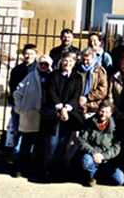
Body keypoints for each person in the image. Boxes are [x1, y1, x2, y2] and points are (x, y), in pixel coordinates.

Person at [44, 51, 85, 180]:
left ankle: (58, 172)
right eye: (65, 60)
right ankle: (47, 171)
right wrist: (60, 106)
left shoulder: (77, 78)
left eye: (71, 61)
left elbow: (76, 95)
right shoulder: (54, 76)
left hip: (69, 115)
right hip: (54, 115)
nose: (67, 63)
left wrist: (66, 109)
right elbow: (51, 92)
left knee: (63, 144)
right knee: (52, 144)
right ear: (61, 61)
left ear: (74, 63)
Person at [13, 54, 52, 178]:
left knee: (41, 146)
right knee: (26, 144)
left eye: (46, 64)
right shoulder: (30, 77)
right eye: (41, 63)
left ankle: (38, 170)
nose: (43, 66)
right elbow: (17, 92)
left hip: (46, 116)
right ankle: (20, 169)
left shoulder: (53, 78)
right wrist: (20, 108)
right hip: (30, 116)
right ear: (37, 64)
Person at [78, 100, 124, 187]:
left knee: (119, 180)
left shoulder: (115, 126)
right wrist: (94, 153)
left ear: (111, 113)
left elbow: (117, 146)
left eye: (107, 112)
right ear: (98, 110)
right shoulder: (89, 122)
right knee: (86, 161)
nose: (104, 114)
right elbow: (82, 141)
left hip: (107, 158)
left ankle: (99, 175)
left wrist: (103, 156)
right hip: (91, 156)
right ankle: (90, 176)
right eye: (102, 111)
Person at [8, 44, 38, 169]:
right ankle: (17, 158)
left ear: (35, 55)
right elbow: (13, 87)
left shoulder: (39, 68)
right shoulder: (17, 70)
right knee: (17, 130)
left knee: (31, 133)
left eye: (31, 54)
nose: (28, 56)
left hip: (33, 106)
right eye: (27, 53)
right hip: (19, 105)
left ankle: (29, 159)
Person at [78, 47, 109, 119]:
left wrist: (87, 98)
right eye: (83, 59)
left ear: (93, 58)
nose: (85, 62)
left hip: (92, 107)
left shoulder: (100, 71)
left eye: (87, 60)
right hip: (77, 106)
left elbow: (102, 90)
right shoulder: (76, 69)